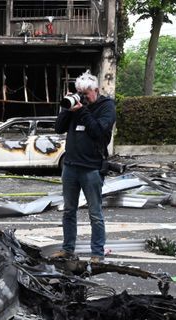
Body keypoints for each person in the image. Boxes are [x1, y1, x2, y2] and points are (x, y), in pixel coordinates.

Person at [53, 70, 116, 260]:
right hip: (71, 166)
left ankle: (97, 253)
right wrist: (67, 109)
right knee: (68, 211)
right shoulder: (76, 105)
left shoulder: (107, 106)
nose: (83, 98)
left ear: (96, 90)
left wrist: (82, 110)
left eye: (86, 94)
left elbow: (98, 131)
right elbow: (58, 128)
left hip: (92, 167)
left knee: (95, 213)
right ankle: (67, 250)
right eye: (80, 93)